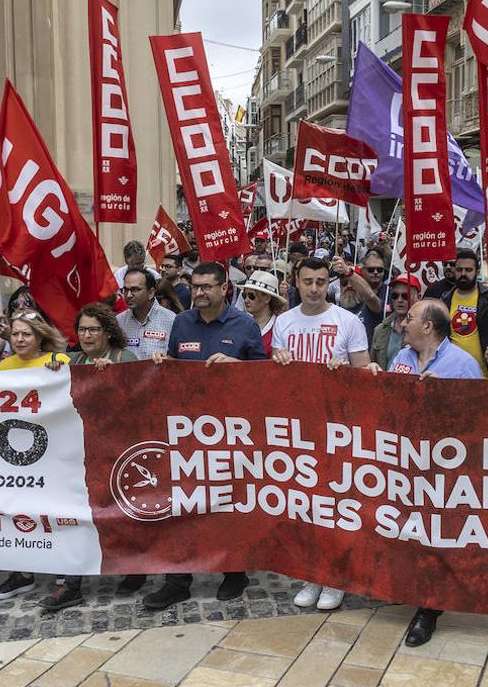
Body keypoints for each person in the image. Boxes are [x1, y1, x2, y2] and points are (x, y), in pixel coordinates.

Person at [145, 262, 266, 609]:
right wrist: (161, 362)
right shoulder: (181, 323)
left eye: (206, 287)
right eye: (194, 286)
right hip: (187, 429)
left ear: (224, 288)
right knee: (182, 502)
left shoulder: (245, 326)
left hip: (230, 431)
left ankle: (234, 571)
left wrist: (237, 369)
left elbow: (265, 377)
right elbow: (172, 369)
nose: (198, 293)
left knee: (229, 502)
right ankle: (178, 580)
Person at [367, 298, 483, 645]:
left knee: (435, 534)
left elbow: (483, 416)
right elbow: (386, 405)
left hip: (443, 470)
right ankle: (411, 588)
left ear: (428, 327)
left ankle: (429, 609)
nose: (403, 324)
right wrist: (374, 381)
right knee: (407, 530)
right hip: (404, 465)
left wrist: (445, 398)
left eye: (411, 319)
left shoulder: (463, 364)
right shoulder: (401, 359)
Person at [273, 256, 371, 612]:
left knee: (336, 504)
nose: (314, 288)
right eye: (308, 281)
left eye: (320, 281)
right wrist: (278, 365)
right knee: (305, 505)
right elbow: (275, 384)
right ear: (296, 282)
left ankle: (337, 576)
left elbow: (365, 375)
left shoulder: (348, 321)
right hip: (299, 429)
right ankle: (312, 572)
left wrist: (344, 372)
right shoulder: (283, 323)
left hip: (338, 427)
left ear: (328, 282)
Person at [40, 304, 140, 610]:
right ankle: (70, 584)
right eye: (82, 329)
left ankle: (135, 569)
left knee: (123, 514)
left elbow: (140, 398)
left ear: (108, 332)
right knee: (75, 514)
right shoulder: (72, 360)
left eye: (93, 329)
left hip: (117, 451)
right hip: (79, 454)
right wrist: (53, 373)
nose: (86, 335)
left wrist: (114, 378)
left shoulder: (127, 358)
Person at [0, 311, 71, 600]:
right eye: (16, 333)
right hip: (14, 456)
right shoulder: (4, 366)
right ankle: (22, 573)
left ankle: (64, 568)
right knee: (19, 512)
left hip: (54, 453)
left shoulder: (58, 363)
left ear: (40, 336)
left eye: (26, 334)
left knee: (56, 511)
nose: (20, 339)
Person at [440, 248, 488, 376]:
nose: (463, 274)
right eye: (459, 270)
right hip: (451, 374)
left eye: (468, 270)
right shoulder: (445, 299)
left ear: (477, 271)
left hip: (483, 375)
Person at [330, 248, 389, 344]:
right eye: (344, 283)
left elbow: (370, 296)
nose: (349, 286)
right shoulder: (335, 311)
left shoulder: (370, 306)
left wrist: (347, 272)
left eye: (353, 283)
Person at [118, 268, 177, 358]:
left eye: (135, 290)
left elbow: (178, 359)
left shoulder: (171, 320)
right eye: (125, 290)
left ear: (151, 293)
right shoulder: (119, 321)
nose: (128, 295)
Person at [371, 274, 420, 369]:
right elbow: (372, 364)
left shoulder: (424, 331)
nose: (399, 300)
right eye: (395, 296)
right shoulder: (379, 330)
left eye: (405, 296)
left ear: (418, 297)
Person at [238, 270, 286, 355]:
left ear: (267, 298)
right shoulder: (241, 325)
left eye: (251, 296)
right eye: (244, 295)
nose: (246, 300)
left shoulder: (280, 326)